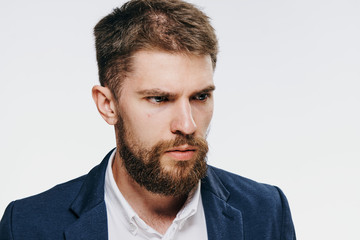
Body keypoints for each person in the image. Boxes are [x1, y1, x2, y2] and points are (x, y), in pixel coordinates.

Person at [0, 0, 296, 239]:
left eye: (200, 96)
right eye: (159, 99)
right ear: (108, 105)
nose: (188, 125)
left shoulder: (267, 212)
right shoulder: (27, 226)